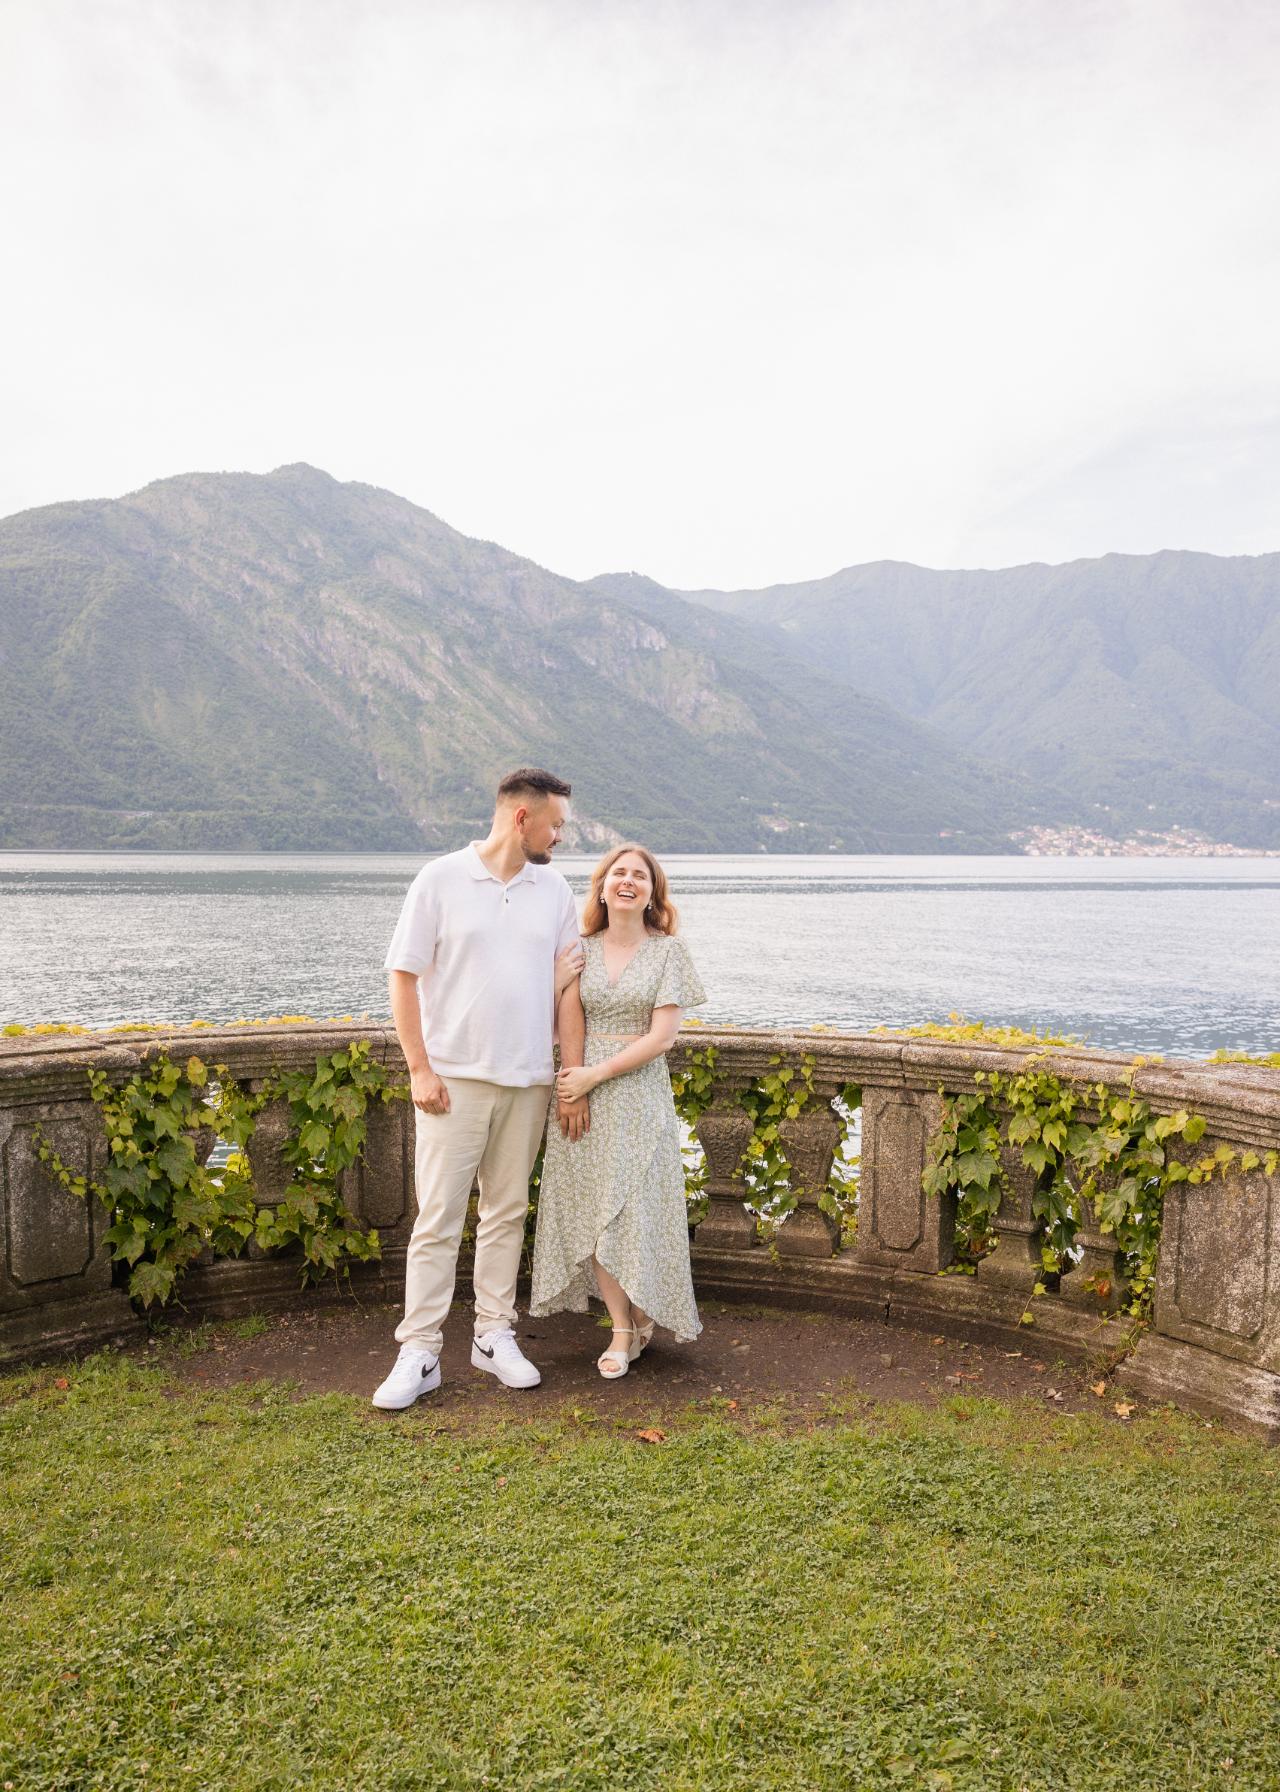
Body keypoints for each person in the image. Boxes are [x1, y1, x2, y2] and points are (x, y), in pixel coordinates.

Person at [372, 767, 589, 1410]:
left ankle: (494, 1335)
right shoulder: (439, 879)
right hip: (453, 1080)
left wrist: (569, 1079)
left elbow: (567, 988)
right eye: (555, 824)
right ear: (523, 819)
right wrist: (419, 1068)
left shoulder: (552, 890)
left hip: (526, 1080)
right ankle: (420, 1349)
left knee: (506, 1213)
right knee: (437, 1218)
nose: (560, 836)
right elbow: (403, 976)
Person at [530, 842, 706, 1377]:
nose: (628, 881)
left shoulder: (668, 952)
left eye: (640, 876)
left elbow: (662, 1038)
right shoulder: (578, 947)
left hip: (638, 1094)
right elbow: (568, 1015)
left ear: (653, 893)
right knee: (595, 1213)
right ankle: (621, 1328)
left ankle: (646, 1311)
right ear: (602, 886)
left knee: (637, 1212)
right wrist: (574, 1087)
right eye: (618, 873)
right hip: (582, 1093)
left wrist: (596, 1075)